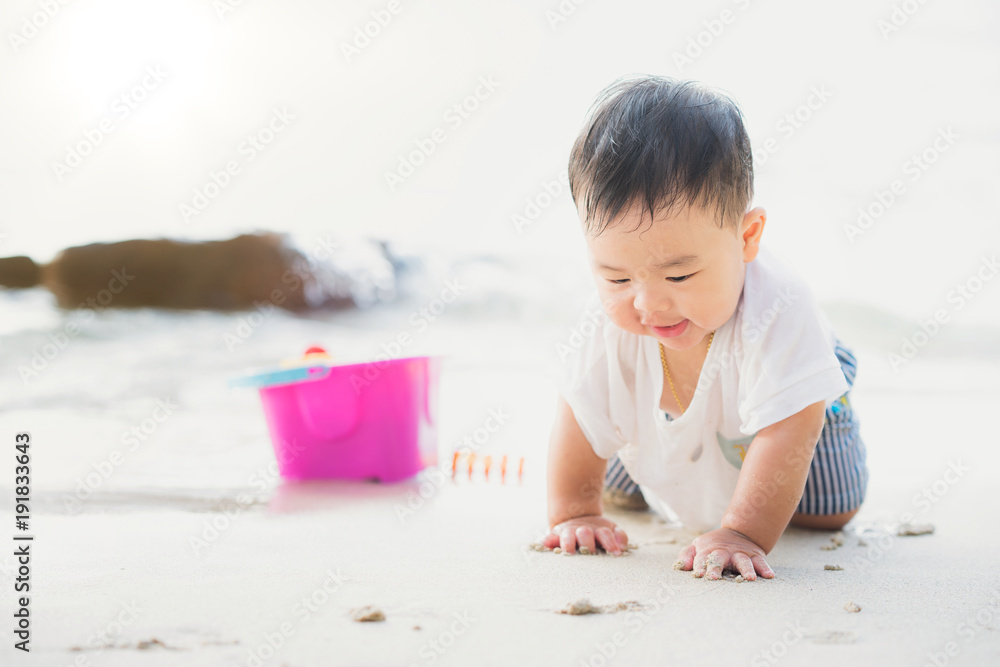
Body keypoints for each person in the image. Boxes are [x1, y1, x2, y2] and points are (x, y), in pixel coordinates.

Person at [542, 76, 868, 581]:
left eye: (679, 274)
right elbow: (581, 408)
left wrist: (741, 532)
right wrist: (576, 512)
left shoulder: (780, 305)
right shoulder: (612, 321)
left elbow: (790, 425)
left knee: (826, 511)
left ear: (747, 237)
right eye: (616, 276)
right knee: (621, 485)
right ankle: (662, 466)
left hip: (793, 404)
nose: (649, 302)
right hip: (673, 407)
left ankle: (752, 495)